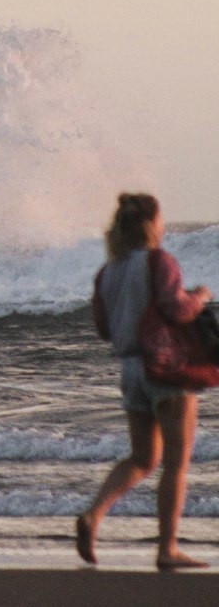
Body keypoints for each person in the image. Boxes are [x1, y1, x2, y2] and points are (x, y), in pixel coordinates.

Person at [76, 191, 212, 570]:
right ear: (152, 224)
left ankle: (94, 515)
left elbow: (104, 328)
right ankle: (167, 549)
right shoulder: (159, 261)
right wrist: (199, 297)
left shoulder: (108, 272)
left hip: (131, 371)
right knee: (176, 463)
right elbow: (175, 308)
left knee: (142, 457)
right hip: (165, 370)